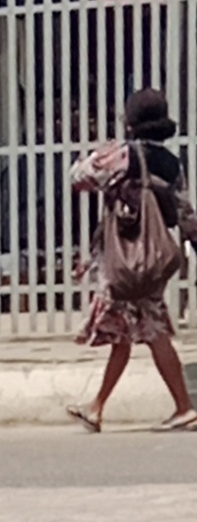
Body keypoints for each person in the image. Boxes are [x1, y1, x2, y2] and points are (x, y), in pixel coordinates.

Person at [67, 89, 197, 432]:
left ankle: (184, 407)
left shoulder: (122, 155)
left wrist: (103, 153)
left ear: (132, 121)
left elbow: (78, 177)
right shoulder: (171, 163)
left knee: (150, 331)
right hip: (155, 259)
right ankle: (95, 407)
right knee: (125, 332)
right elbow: (185, 215)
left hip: (124, 258)